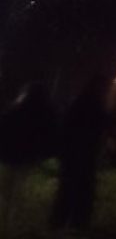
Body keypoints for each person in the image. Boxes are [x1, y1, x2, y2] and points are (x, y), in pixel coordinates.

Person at [51, 77, 108, 232]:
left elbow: (66, 125)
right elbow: (101, 126)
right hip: (85, 152)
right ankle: (77, 221)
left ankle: (60, 219)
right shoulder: (96, 106)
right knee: (83, 188)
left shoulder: (77, 102)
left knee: (67, 187)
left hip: (72, 152)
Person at [0, 83, 57, 236]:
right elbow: (50, 136)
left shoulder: (16, 109)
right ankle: (13, 226)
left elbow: (3, 128)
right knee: (18, 193)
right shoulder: (46, 113)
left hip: (9, 156)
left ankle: (5, 223)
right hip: (27, 158)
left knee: (6, 192)